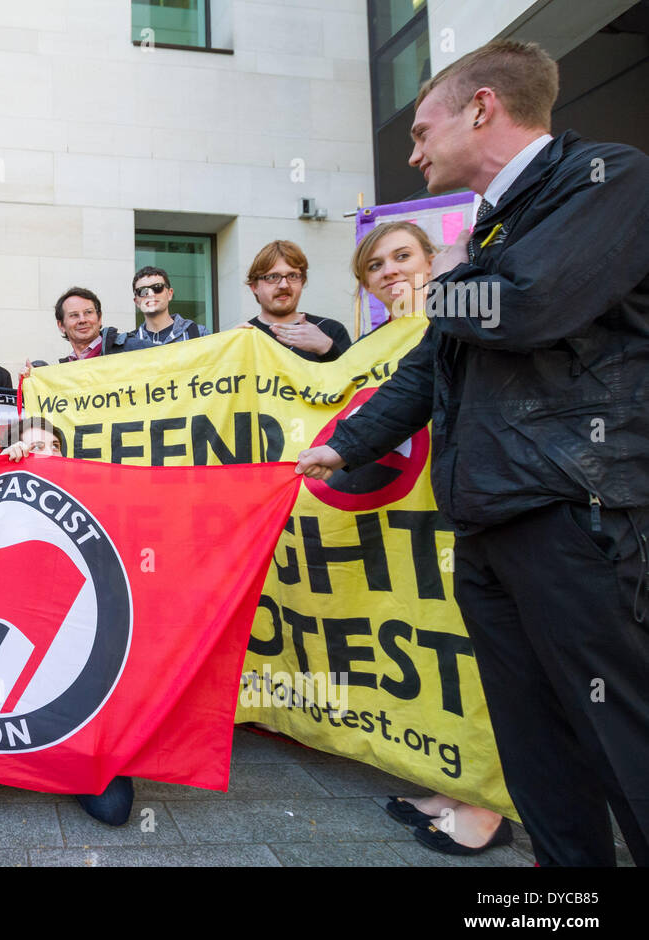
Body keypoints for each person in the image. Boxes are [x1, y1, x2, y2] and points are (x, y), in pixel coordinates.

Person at [296, 40, 649, 867]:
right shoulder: (493, 224)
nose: (412, 151)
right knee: (535, 744)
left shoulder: (609, 178)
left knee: (620, 732)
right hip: (488, 520)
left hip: (572, 515)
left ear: (482, 107)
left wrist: (447, 275)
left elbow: (523, 306)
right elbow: (433, 362)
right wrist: (345, 446)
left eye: (423, 130)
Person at [352, 221, 512, 855]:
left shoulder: (460, 320)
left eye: (403, 256)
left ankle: (489, 804)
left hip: (461, 511)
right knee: (437, 648)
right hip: (406, 525)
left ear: (432, 261)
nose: (390, 271)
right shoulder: (368, 346)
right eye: (375, 264)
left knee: (480, 656)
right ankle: (455, 783)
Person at [0, 416, 135, 826]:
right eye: (35, 446)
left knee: (115, 809)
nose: (46, 454)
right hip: (1, 689)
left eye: (54, 447)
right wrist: (2, 472)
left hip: (72, 687)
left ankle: (49, 755)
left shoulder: (92, 505)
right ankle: (15, 754)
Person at [241, 240, 350, 361]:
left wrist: (328, 349)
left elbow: (352, 378)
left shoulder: (330, 330)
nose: (284, 285)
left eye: (292, 276)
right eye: (272, 277)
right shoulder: (242, 337)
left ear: (302, 281)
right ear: (254, 287)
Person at [103, 267, 207, 354]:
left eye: (157, 288)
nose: (151, 294)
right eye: (143, 291)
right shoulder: (128, 344)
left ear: (170, 294)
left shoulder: (198, 334)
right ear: (137, 302)